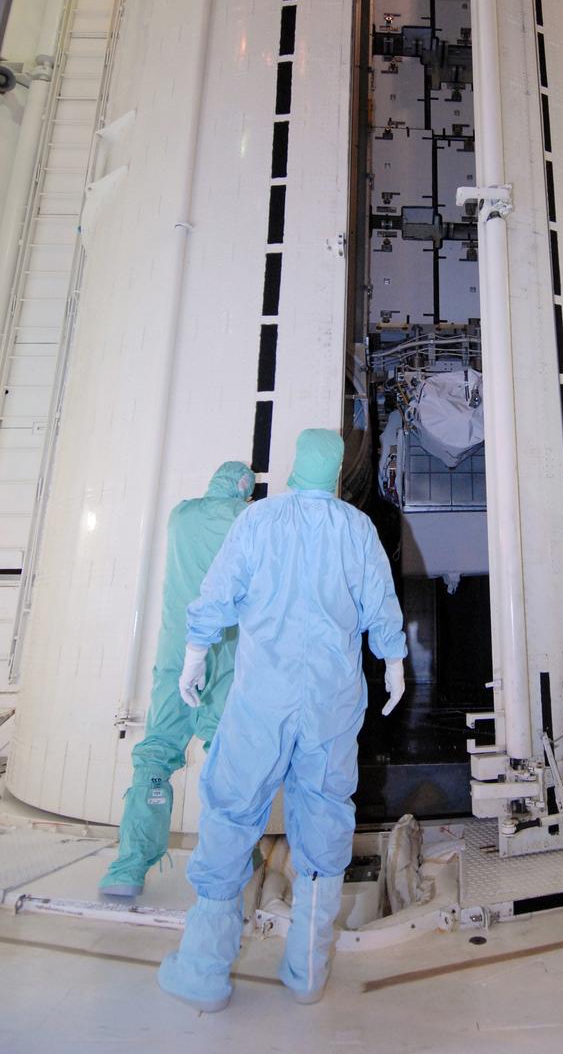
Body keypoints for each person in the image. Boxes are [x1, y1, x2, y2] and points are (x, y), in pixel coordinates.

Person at [158, 428, 406, 1012]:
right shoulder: (357, 529)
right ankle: (307, 972)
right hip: (329, 704)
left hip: (260, 703)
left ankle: (203, 974)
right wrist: (394, 664)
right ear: (338, 471)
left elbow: (217, 594)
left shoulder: (259, 522)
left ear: (296, 465)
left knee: (230, 815)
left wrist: (194, 653)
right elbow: (381, 606)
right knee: (324, 820)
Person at [100, 461, 255, 898]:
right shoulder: (247, 520)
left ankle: (128, 867)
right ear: (244, 490)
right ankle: (234, 860)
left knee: (155, 756)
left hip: (175, 654)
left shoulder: (180, 514)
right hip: (222, 656)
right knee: (225, 759)